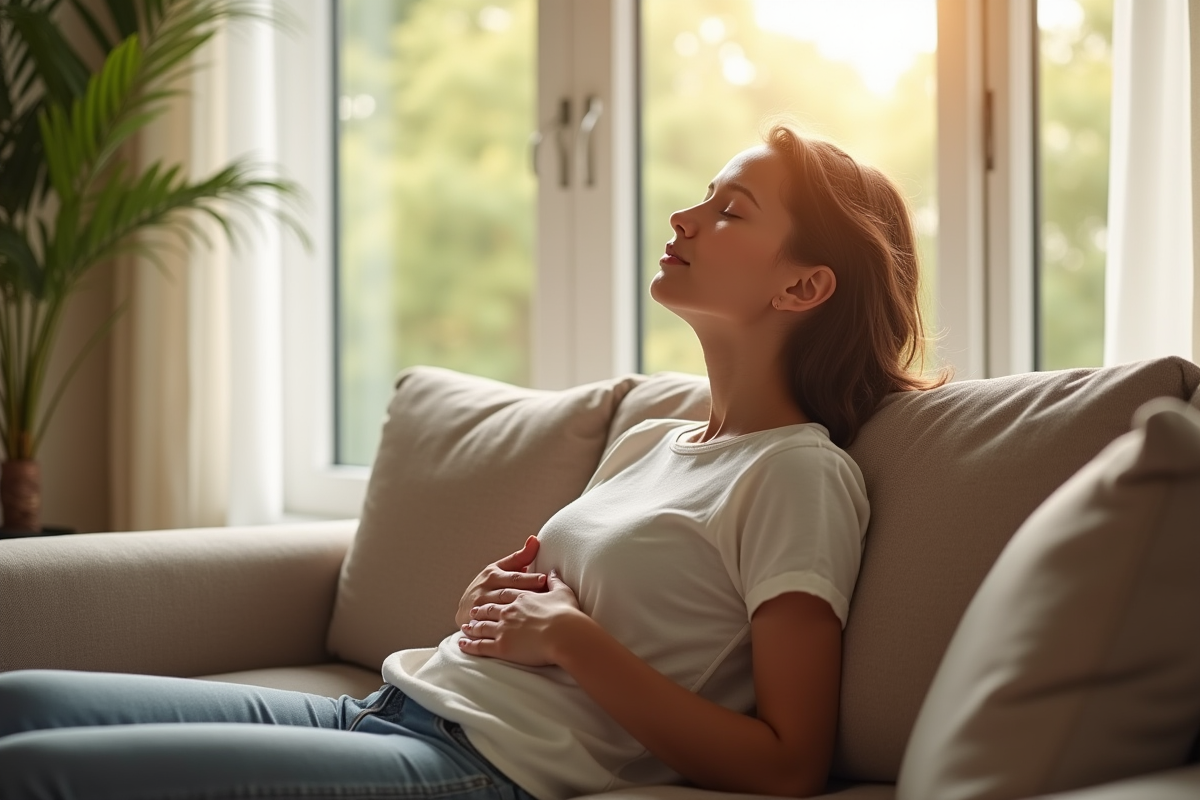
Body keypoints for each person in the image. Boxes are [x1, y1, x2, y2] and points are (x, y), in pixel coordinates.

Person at [0, 124, 944, 800]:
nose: (684, 215)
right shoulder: (658, 441)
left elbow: (788, 763)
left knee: (35, 771)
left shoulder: (799, 476)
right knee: (21, 702)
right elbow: (555, 607)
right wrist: (489, 606)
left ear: (803, 285)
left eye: (729, 210)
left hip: (477, 765)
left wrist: (568, 639)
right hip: (391, 704)